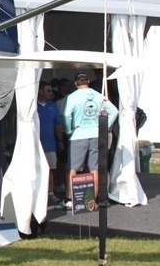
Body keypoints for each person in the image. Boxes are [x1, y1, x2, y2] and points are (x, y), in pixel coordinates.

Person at [62, 72, 118, 210]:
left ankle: (69, 199)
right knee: (94, 168)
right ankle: (94, 200)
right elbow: (114, 111)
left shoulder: (72, 97)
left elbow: (66, 114)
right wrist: (103, 127)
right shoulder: (99, 96)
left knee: (73, 168)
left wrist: (69, 130)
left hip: (78, 134)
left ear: (76, 83)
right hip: (96, 134)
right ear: (88, 81)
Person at [36, 80, 66, 205]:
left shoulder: (52, 106)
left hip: (50, 143)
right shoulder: (32, 106)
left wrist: (60, 140)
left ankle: (50, 193)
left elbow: (58, 125)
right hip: (35, 144)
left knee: (50, 169)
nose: (51, 93)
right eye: (48, 90)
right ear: (40, 91)